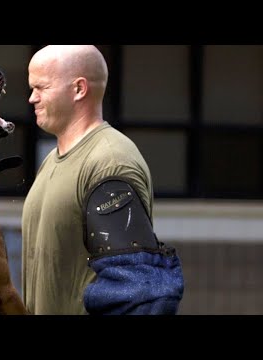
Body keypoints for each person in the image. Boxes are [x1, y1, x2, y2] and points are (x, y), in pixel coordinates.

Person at [21, 45, 184, 315]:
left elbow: (141, 295)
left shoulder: (108, 162)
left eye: (41, 87)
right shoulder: (52, 160)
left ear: (79, 89)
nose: (32, 98)